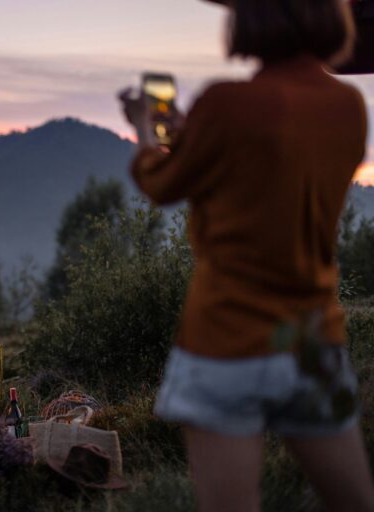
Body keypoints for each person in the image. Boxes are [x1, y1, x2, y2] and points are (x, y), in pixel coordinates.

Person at [120, 1, 374, 511]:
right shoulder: (348, 106)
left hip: (225, 340)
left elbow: (162, 183)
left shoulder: (226, 104)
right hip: (309, 339)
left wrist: (147, 130)